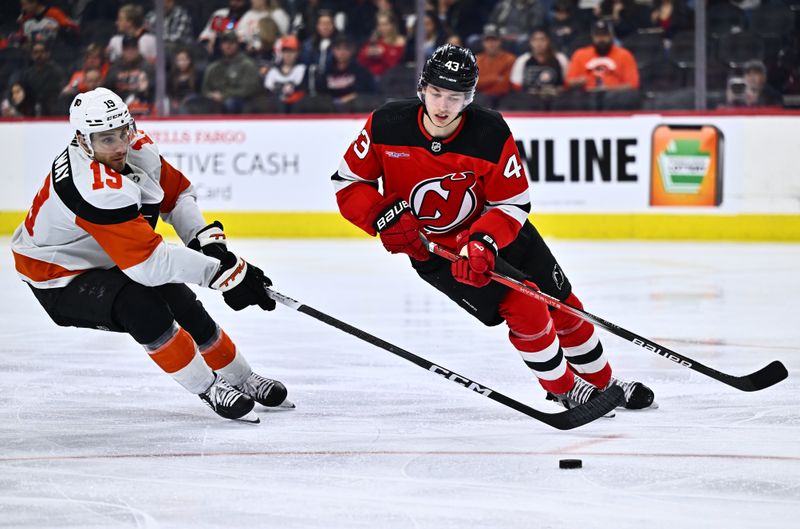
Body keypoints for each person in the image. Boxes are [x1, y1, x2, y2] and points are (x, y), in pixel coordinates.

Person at [331, 44, 656, 413]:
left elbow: (512, 203)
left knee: (566, 308)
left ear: (469, 97)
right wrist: (381, 215)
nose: (442, 106)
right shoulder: (386, 123)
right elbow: (348, 183)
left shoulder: (489, 131)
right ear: (422, 88)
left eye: (454, 97)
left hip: (502, 235)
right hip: (441, 254)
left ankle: (604, 383)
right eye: (436, 93)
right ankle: (567, 389)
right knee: (526, 306)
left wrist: (484, 239)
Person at [10, 87, 291, 423]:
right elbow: (148, 265)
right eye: (106, 140)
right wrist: (226, 274)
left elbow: (177, 196)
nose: (119, 147)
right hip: (57, 275)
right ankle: (209, 387)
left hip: (105, 254)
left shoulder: (137, 147)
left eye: (123, 133)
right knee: (142, 307)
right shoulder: (92, 187)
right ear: (83, 141)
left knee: (181, 300)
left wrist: (206, 243)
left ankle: (241, 377)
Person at [201, 31, 263, 114]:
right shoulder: (213, 67)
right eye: (225, 43)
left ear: (237, 44)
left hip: (242, 103)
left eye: (231, 43)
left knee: (230, 103)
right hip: (215, 101)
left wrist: (224, 95)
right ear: (221, 46)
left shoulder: (247, 65)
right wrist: (211, 95)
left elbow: (249, 89)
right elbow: (205, 89)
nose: (228, 46)